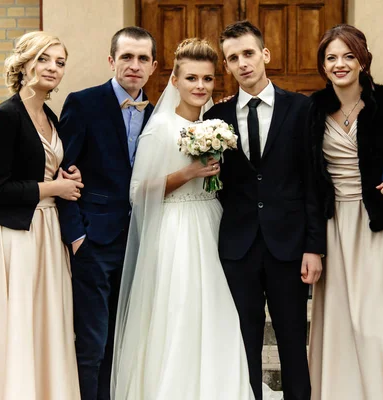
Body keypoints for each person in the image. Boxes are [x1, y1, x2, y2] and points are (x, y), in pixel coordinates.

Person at [111, 38, 261, 400]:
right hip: (175, 230)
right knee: (180, 312)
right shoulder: (159, 128)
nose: (200, 86)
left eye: (207, 79)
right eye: (191, 78)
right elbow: (137, 192)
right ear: (175, 80)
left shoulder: (218, 123)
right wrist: (188, 173)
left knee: (217, 311)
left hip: (213, 223)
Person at [203, 21, 326, 400]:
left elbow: (314, 181)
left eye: (249, 53)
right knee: (244, 341)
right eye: (233, 58)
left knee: (292, 339)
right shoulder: (214, 119)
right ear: (226, 66)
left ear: (265, 55)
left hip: (289, 246)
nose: (243, 63)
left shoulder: (302, 108)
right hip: (238, 246)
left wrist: (314, 246)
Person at [307, 24, 383, 400]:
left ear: (363, 60)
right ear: (323, 65)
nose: (340, 64)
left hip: (381, 224)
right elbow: (304, 175)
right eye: (331, 58)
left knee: (379, 318)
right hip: (334, 224)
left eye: (348, 56)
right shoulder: (312, 109)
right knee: (339, 317)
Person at [0, 31, 82, 400]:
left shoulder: (49, 114)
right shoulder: (5, 116)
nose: (52, 67)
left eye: (60, 62)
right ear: (23, 64)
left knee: (49, 322)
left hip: (49, 231)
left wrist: (67, 177)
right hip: (16, 235)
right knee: (21, 322)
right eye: (44, 59)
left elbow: (46, 167)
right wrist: (54, 188)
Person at [57, 26, 157, 400]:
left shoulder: (158, 112)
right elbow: (63, 171)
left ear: (153, 65)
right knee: (93, 342)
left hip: (140, 242)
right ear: (112, 60)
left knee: (122, 339)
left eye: (142, 58)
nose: (134, 65)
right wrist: (77, 237)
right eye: (127, 57)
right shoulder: (83, 103)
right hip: (94, 242)